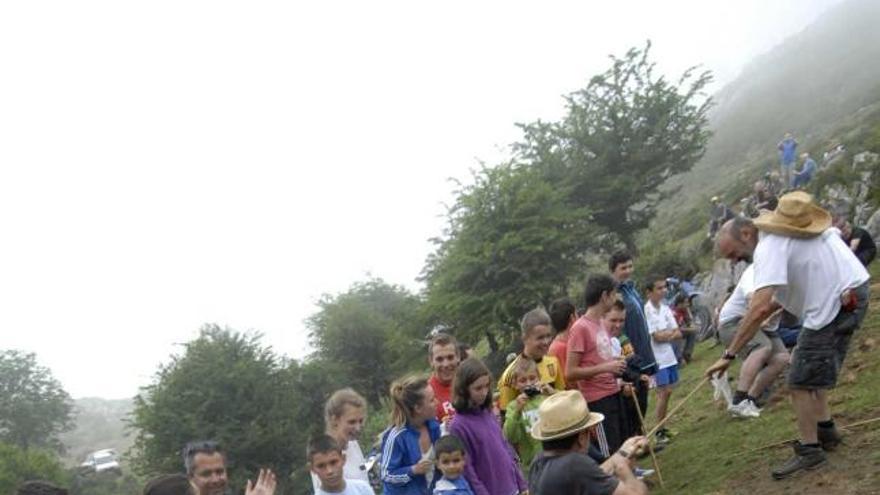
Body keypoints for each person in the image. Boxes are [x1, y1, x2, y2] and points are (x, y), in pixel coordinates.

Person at [708, 191, 870, 479]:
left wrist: (728, 355)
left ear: (746, 233)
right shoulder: (788, 237)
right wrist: (770, 309)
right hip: (847, 295)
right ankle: (826, 430)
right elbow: (776, 297)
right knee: (809, 370)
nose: (735, 261)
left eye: (733, 254)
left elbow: (758, 307)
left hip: (838, 303)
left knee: (798, 381)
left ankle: (810, 451)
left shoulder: (769, 246)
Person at [528, 390, 649, 495]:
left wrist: (622, 453)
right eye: (589, 431)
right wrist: (624, 467)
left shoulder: (539, 461)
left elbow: (594, 474)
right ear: (581, 437)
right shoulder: (575, 464)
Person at [566, 274, 628, 457]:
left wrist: (615, 363)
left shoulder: (601, 322)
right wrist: (607, 368)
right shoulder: (580, 328)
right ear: (604, 296)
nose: (615, 298)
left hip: (613, 391)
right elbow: (570, 372)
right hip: (597, 400)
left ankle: (628, 473)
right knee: (608, 451)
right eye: (613, 294)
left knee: (621, 441)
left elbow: (599, 357)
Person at [717, 265, 790, 418]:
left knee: (782, 358)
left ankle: (750, 400)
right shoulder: (754, 272)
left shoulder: (786, 276)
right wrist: (776, 306)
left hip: (763, 326)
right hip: (734, 321)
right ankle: (738, 401)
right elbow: (754, 303)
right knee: (762, 347)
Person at [449, 358, 527, 495]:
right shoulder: (459, 425)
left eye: (486, 386)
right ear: (464, 390)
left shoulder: (487, 413)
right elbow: (468, 470)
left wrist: (521, 483)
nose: (484, 392)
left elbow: (505, 449)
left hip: (512, 488)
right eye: (478, 388)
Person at [609, 251, 657, 439]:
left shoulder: (631, 289)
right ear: (613, 271)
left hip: (643, 350)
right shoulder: (615, 294)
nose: (628, 270)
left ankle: (641, 439)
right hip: (628, 352)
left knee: (643, 399)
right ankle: (636, 441)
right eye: (623, 268)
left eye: (630, 266)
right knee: (635, 403)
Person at [380, 375, 442, 495]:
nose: (437, 402)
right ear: (418, 408)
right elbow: (386, 475)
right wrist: (413, 470)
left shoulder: (434, 427)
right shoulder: (397, 437)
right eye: (432, 400)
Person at [497, 308, 565, 416]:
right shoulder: (509, 375)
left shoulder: (553, 362)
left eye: (548, 336)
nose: (546, 342)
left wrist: (553, 393)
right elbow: (506, 417)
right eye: (540, 338)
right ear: (524, 338)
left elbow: (564, 397)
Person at [643, 276, 682, 445]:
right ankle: (658, 432)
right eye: (659, 288)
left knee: (668, 392)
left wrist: (667, 334)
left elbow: (678, 332)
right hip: (657, 359)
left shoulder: (665, 308)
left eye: (664, 287)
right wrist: (668, 334)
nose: (663, 291)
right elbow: (656, 337)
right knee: (662, 393)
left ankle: (663, 427)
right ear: (649, 292)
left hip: (669, 357)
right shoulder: (646, 310)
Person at [312, 388, 370, 491]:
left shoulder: (352, 444)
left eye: (360, 421)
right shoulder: (321, 455)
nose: (358, 428)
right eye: (352, 422)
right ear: (334, 420)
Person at [502, 357, 546, 468]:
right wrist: (517, 411)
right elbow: (510, 436)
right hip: (532, 463)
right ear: (515, 384)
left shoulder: (546, 399)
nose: (529, 383)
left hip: (554, 455)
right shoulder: (513, 406)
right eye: (523, 381)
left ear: (539, 378)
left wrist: (552, 393)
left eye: (532, 378)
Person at [309, 434, 375, 495]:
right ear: (312, 469)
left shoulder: (363, 489)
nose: (329, 471)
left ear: (343, 459)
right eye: (321, 466)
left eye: (333, 462)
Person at [428, 333, 461, 425]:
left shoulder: (470, 385)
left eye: (450, 357)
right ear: (431, 361)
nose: (446, 364)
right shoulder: (426, 396)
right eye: (439, 359)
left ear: (458, 357)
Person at [548, 297, 577, 384]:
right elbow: (569, 381)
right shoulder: (561, 348)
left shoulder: (558, 345)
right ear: (572, 318)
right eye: (577, 314)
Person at [671, 294, 697, 365]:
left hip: (679, 331)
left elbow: (688, 321)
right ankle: (679, 358)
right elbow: (676, 329)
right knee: (678, 335)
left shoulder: (683, 310)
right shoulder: (673, 313)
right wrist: (690, 329)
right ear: (679, 304)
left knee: (692, 332)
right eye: (686, 302)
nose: (688, 304)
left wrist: (691, 325)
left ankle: (687, 354)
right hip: (672, 335)